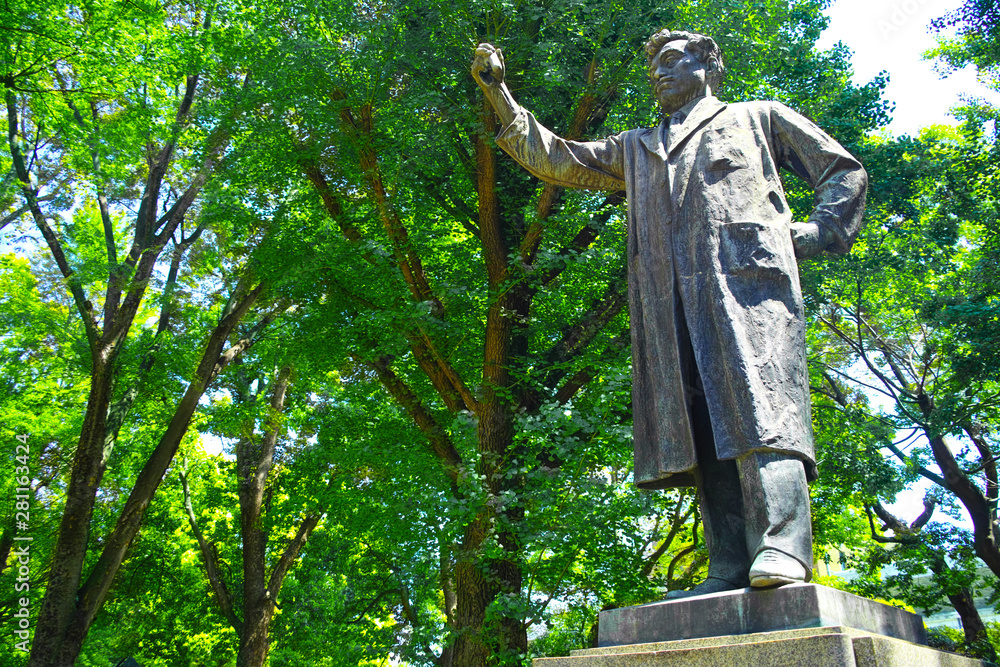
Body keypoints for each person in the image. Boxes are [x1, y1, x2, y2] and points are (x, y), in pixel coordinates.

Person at [471, 30, 867, 597]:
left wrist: (821, 230)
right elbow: (557, 158)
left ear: (710, 66)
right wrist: (498, 93)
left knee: (762, 410)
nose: (659, 72)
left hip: (747, 290)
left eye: (672, 60)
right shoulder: (638, 146)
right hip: (668, 300)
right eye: (653, 65)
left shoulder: (757, 117)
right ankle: (728, 563)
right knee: (700, 424)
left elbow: (842, 168)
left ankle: (782, 545)